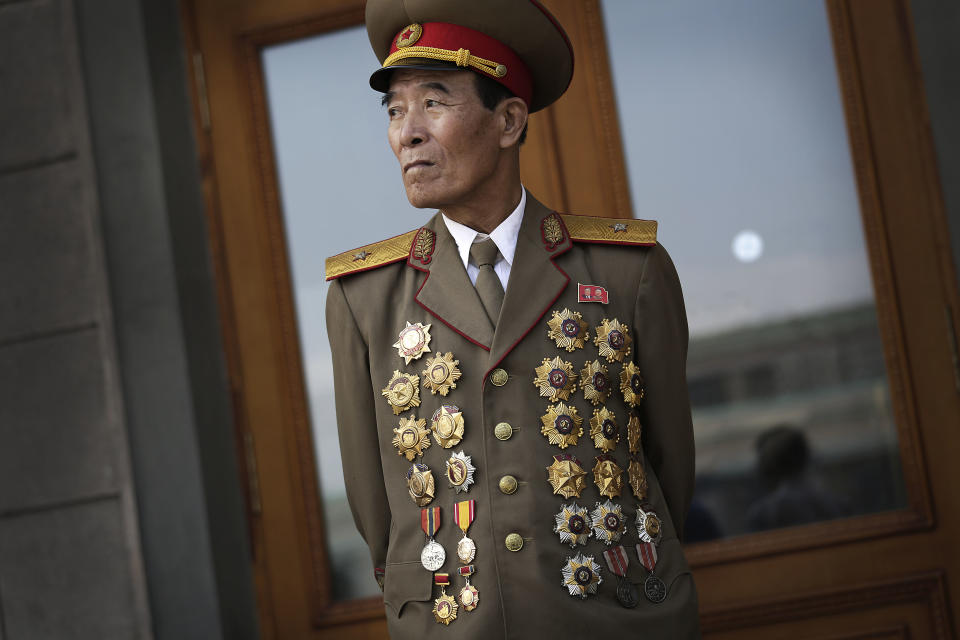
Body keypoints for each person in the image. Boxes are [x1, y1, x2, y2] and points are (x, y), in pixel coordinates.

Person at [325, 1, 699, 637]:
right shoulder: (364, 297)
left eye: (433, 103)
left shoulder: (625, 271)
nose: (407, 133)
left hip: (617, 619)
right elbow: (373, 500)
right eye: (394, 110)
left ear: (508, 120)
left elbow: (669, 467)